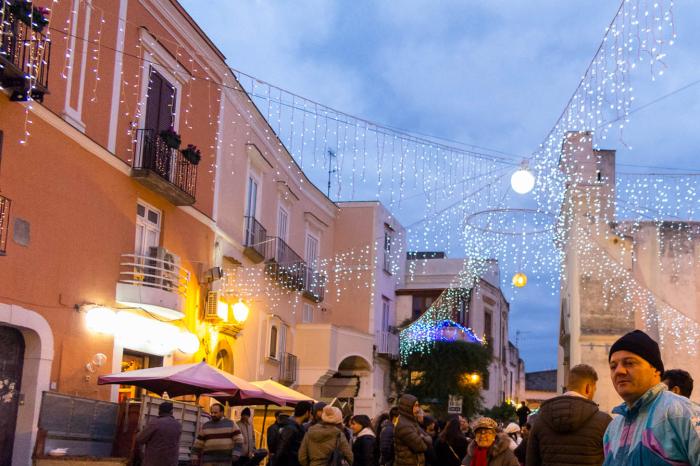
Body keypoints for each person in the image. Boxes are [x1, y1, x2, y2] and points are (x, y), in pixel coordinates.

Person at [603, 329, 700, 465]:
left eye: (629, 363)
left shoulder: (684, 414)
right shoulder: (612, 429)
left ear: (655, 369)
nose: (618, 371)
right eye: (613, 366)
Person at [526, 363, 611, 466]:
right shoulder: (604, 422)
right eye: (594, 389)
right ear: (588, 388)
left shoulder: (540, 419)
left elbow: (531, 461)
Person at [135, 401, 182, 466]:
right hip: (171, 462)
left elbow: (140, 439)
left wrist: (138, 433)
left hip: (154, 461)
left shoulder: (155, 423)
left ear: (159, 411)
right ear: (171, 411)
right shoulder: (178, 425)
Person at [270, 400, 312, 466]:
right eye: (311, 413)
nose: (311, 416)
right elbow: (281, 450)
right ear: (307, 412)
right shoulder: (290, 428)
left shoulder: (299, 427)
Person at [393, 394, 430, 466]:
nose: (418, 409)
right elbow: (421, 447)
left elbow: (429, 438)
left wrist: (423, 438)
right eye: (415, 406)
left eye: (418, 405)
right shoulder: (404, 425)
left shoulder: (411, 422)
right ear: (407, 407)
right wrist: (424, 438)